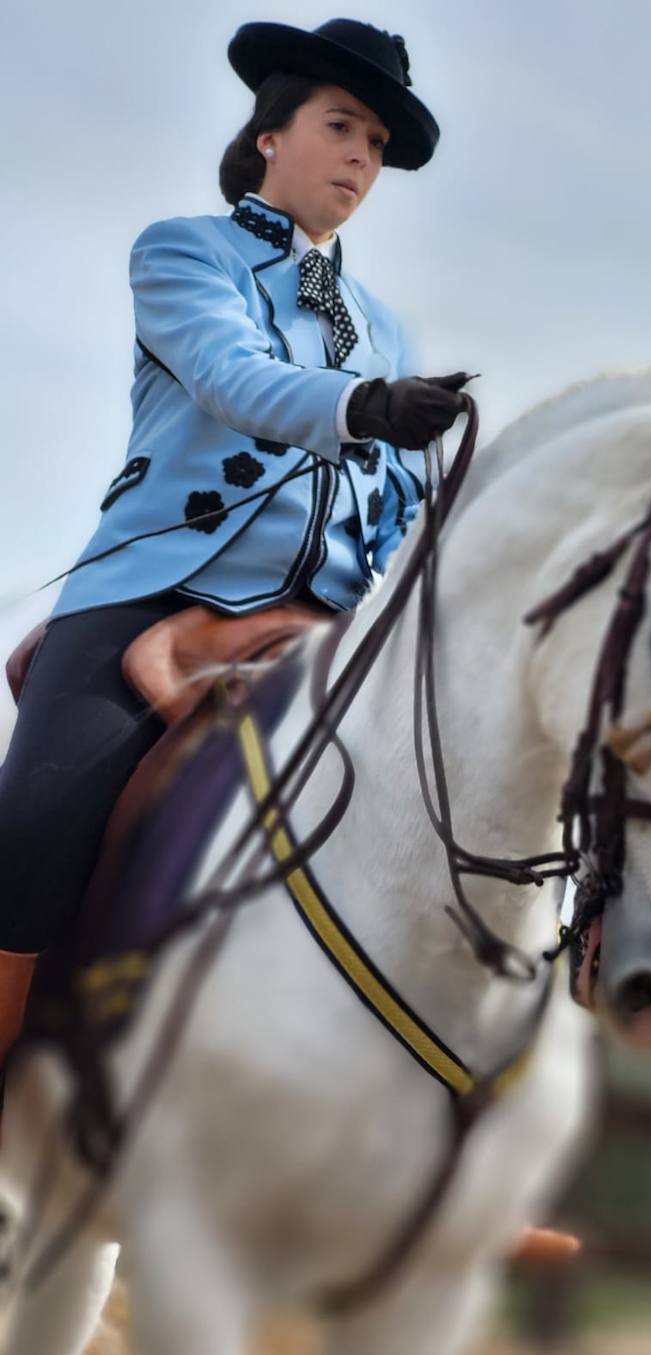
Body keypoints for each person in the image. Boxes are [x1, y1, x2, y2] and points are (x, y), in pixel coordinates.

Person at [0, 18, 471, 1099]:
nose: (360, 157)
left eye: (374, 144)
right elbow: (232, 377)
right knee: (30, 825)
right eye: (340, 127)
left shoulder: (386, 329)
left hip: (326, 627)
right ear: (270, 134)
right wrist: (363, 406)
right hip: (160, 593)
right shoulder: (185, 252)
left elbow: (394, 500)